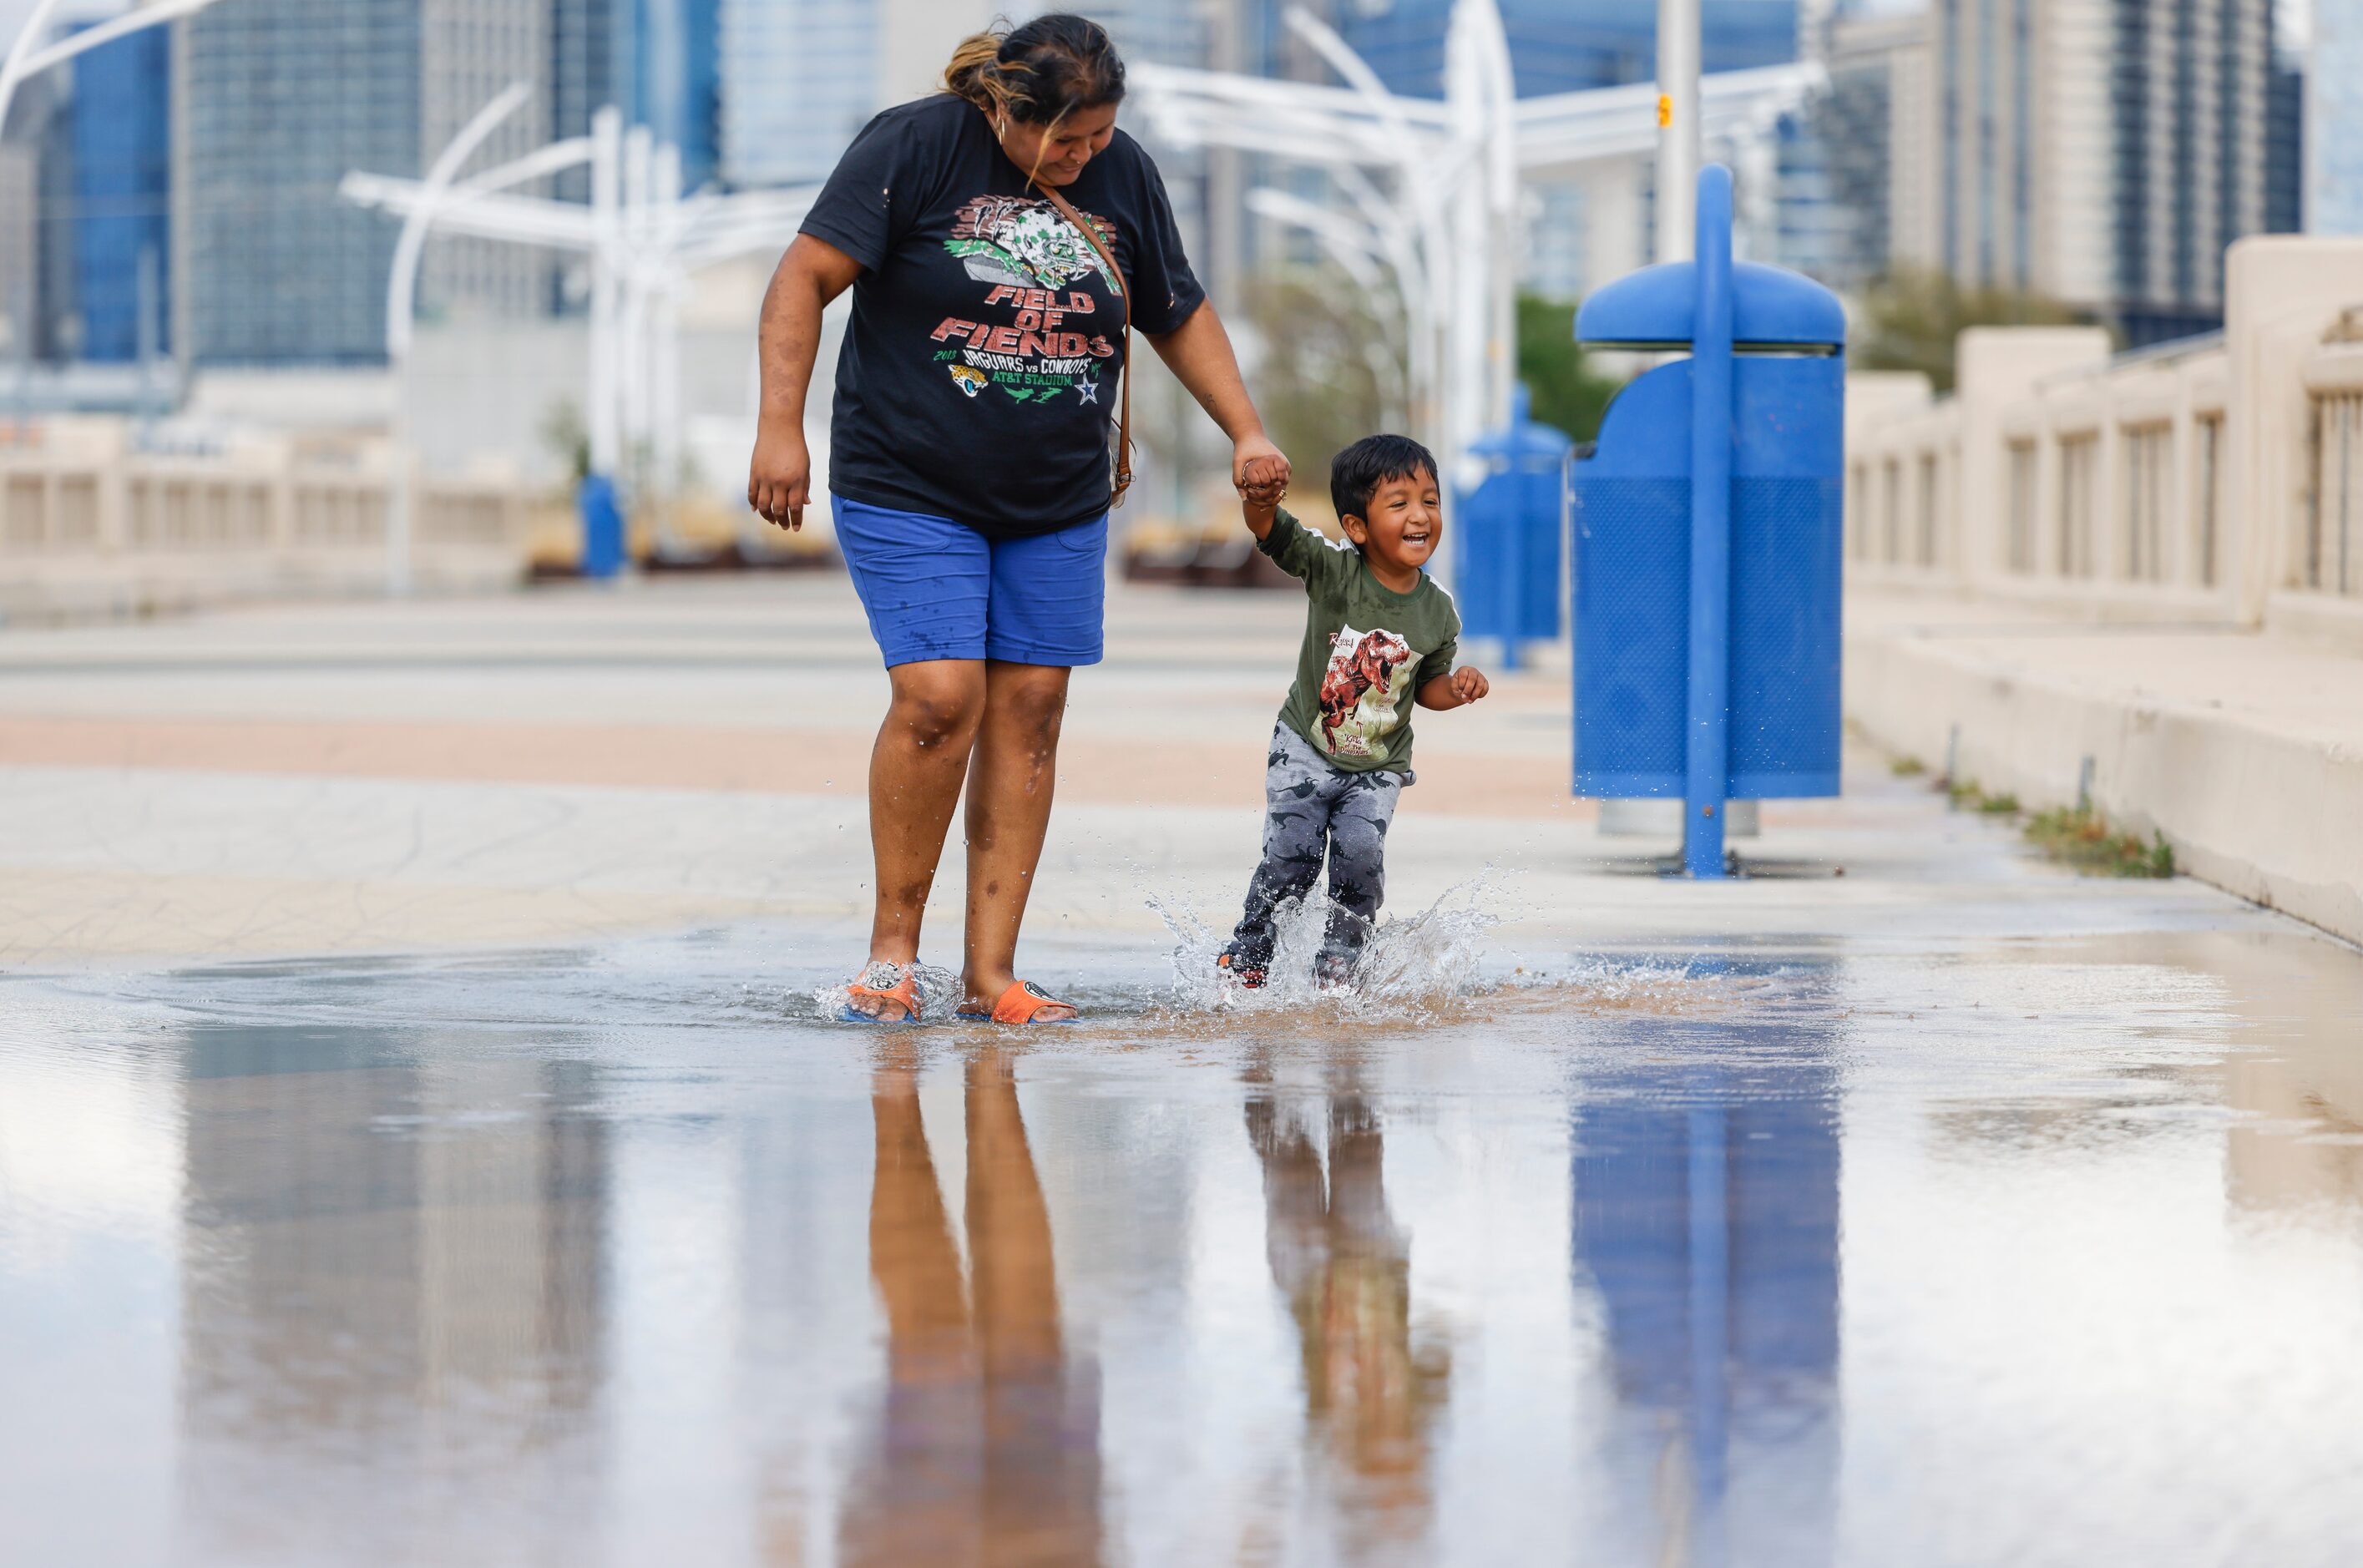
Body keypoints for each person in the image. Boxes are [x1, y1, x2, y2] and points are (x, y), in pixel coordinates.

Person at [746, 14, 1288, 1024]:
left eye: (1098, 138)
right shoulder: (912, 145)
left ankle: (992, 974)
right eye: (1067, 142)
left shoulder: (1124, 173)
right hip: (909, 479)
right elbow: (802, 278)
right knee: (940, 698)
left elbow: (1174, 307)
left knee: (1031, 712)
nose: (1087, 159)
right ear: (1003, 108)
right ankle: (890, 959)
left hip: (1057, 496)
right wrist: (781, 427)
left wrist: (1245, 432)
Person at [1219, 436, 1489, 989]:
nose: (1421, 516)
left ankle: (1342, 962)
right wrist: (1261, 497)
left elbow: (1427, 687)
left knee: (1360, 863)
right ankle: (1250, 951)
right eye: (1400, 503)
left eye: (1430, 501)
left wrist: (1456, 689)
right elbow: (1271, 530)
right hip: (1305, 749)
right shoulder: (1334, 572)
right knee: (1291, 860)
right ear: (1359, 526)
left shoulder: (1438, 610)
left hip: (1377, 767)